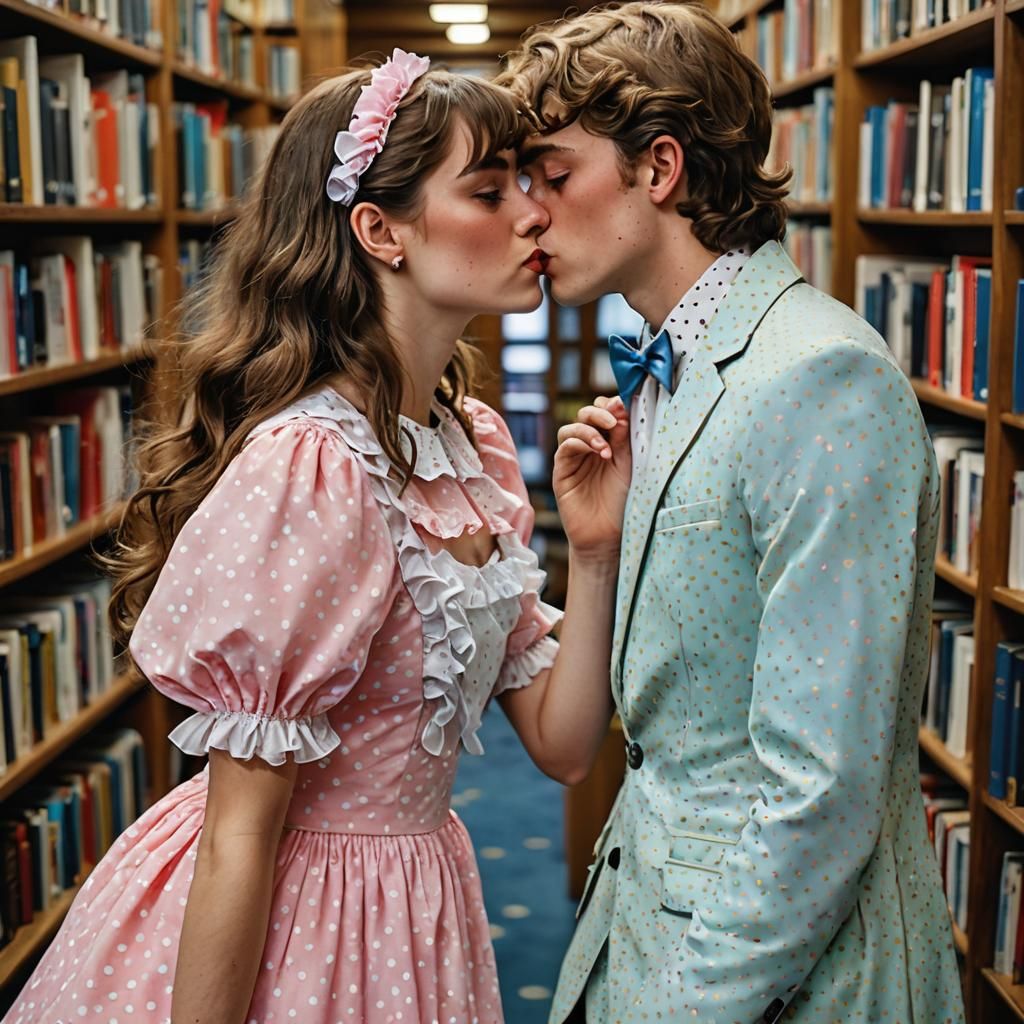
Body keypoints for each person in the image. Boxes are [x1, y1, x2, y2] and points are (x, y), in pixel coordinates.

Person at [2, 51, 628, 1024]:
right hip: (300, 923)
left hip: (416, 907)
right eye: (488, 189)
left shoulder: (471, 449)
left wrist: (591, 553)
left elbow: (564, 744)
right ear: (379, 229)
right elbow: (239, 833)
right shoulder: (314, 464)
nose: (534, 214)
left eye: (532, 185)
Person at [498, 4, 967, 1023]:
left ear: (658, 168)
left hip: (776, 981)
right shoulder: (674, 367)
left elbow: (821, 790)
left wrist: (681, 1007)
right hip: (649, 931)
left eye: (554, 172)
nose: (527, 213)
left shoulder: (821, 376)